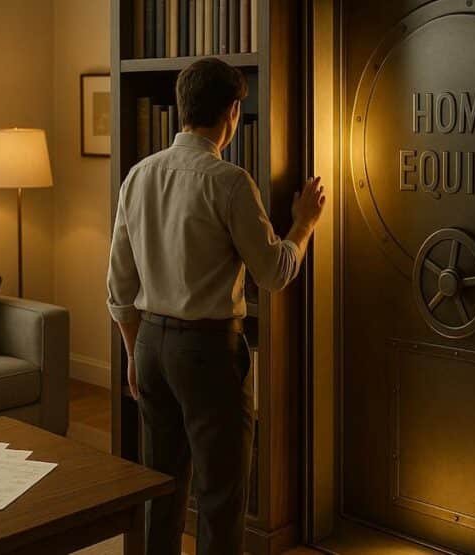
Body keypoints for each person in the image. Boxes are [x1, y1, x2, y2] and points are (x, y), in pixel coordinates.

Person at [106, 57, 325, 555]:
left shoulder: (137, 177)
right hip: (206, 351)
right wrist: (304, 224)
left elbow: (119, 285)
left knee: (159, 486)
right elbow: (274, 273)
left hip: (150, 347)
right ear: (231, 113)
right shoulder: (228, 182)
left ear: (182, 108)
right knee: (220, 493)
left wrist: (132, 353)